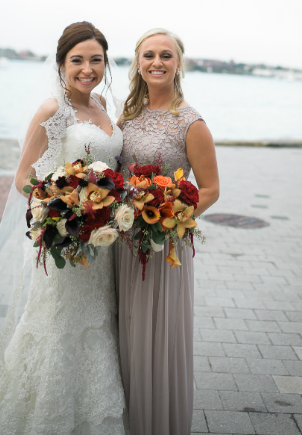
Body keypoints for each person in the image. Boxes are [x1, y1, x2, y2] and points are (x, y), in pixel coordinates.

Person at [0, 22, 127, 435]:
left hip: (103, 243)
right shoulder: (53, 111)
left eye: (95, 60)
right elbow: (24, 177)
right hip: (67, 239)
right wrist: (66, 205)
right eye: (77, 60)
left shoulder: (102, 104)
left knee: (98, 321)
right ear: (62, 63)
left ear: (105, 63)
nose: (87, 68)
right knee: (57, 325)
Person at [114, 28, 220, 435]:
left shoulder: (191, 123)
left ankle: (157, 422)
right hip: (123, 243)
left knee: (156, 338)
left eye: (166, 55)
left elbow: (210, 190)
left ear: (178, 63)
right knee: (124, 331)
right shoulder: (127, 117)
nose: (157, 62)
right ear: (138, 63)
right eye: (148, 55)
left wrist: (169, 217)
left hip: (163, 246)